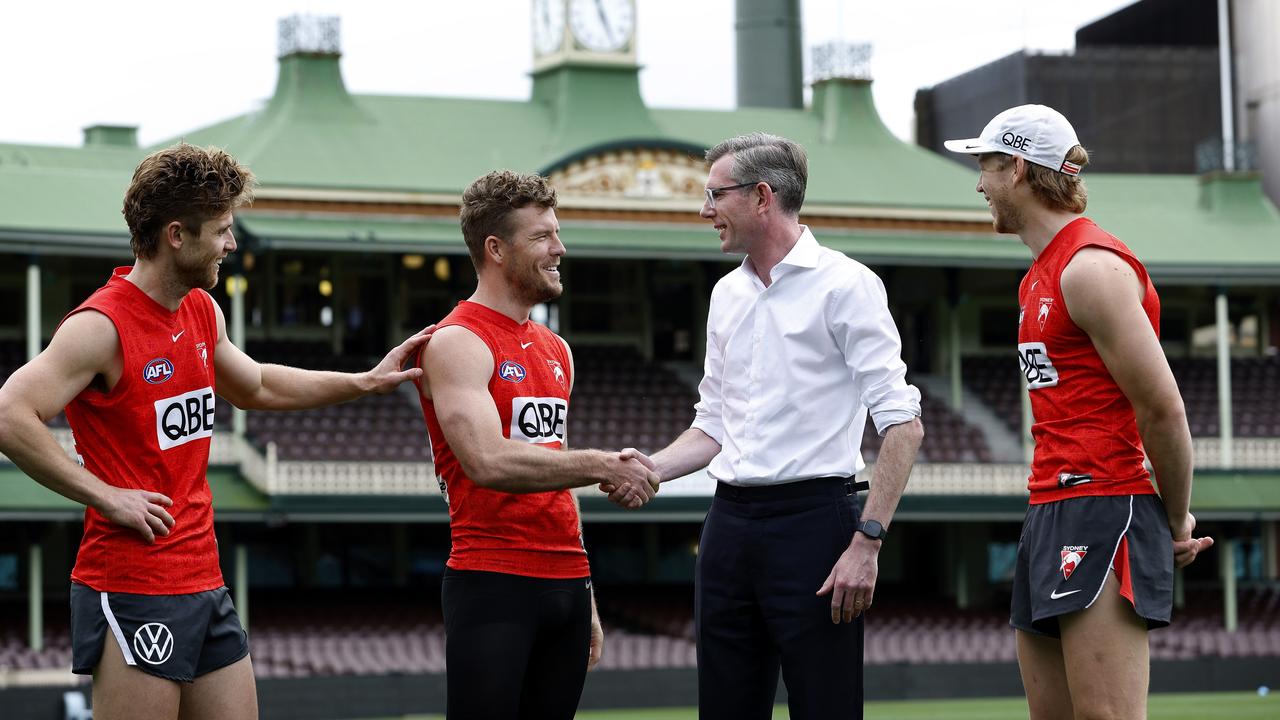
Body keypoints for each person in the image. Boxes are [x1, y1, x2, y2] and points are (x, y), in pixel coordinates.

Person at [0, 143, 431, 720]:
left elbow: (255, 386)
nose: (232, 244)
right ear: (177, 234)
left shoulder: (202, 310)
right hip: (132, 583)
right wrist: (105, 495)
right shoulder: (99, 327)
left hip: (204, 578)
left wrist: (363, 381)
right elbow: (9, 414)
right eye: (223, 229)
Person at [614, 133, 924, 720]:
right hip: (728, 525)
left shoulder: (847, 284)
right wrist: (650, 469)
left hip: (817, 526)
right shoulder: (725, 294)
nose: (705, 211)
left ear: (761, 197)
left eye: (715, 195)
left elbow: (902, 425)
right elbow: (713, 426)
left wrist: (868, 540)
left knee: (825, 708)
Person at [944, 104, 1215, 719]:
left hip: (1105, 503)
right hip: (1049, 508)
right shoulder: (1037, 275)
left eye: (983, 168)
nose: (979, 185)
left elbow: (1164, 410)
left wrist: (1174, 523)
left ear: (1016, 168)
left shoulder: (1092, 268)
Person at [417, 170, 660, 720]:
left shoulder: (557, 349)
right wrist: (602, 464)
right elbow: (486, 461)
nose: (560, 248)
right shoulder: (457, 341)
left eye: (558, 232)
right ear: (496, 249)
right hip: (493, 582)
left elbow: (555, 476)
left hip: (567, 585)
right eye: (543, 237)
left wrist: (588, 591)